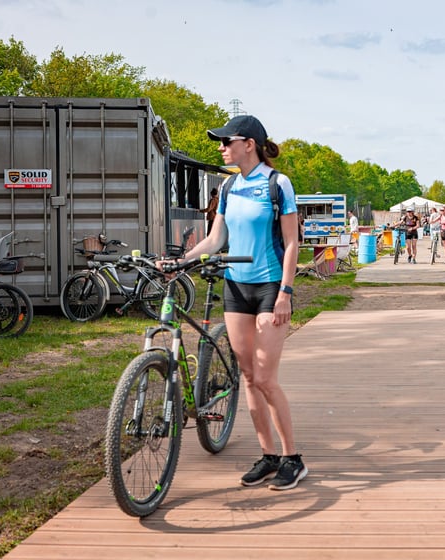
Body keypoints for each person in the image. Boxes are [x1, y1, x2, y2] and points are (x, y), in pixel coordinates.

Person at [170, 115, 307, 491]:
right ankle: (268, 455)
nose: (221, 147)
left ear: (249, 144)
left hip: (269, 289)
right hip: (236, 288)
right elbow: (215, 240)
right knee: (247, 376)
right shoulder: (229, 186)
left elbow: (292, 243)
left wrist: (285, 292)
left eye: (226, 141)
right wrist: (179, 262)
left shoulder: (277, 184)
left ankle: (292, 458)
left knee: (265, 378)